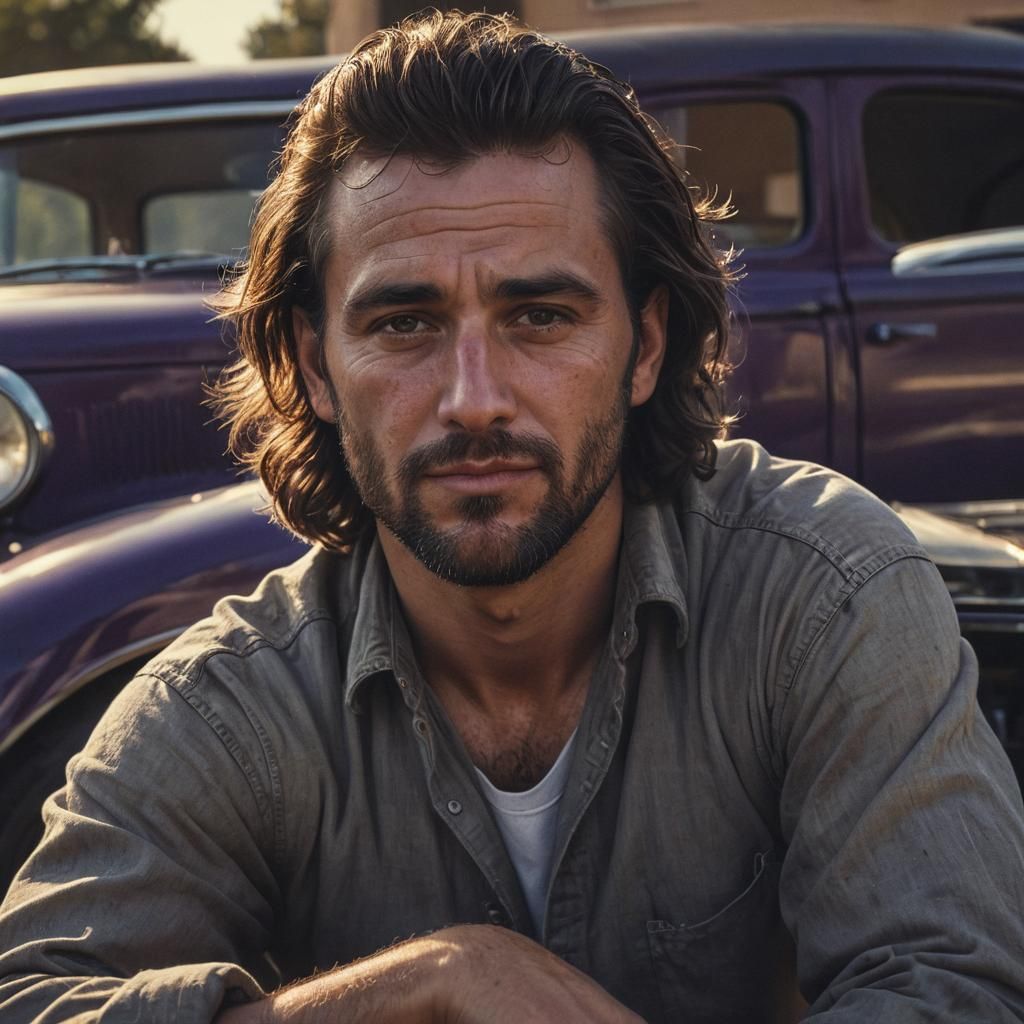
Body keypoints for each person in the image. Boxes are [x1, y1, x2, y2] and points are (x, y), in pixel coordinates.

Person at [2, 10, 1024, 1023]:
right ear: (315, 366)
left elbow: (957, 990)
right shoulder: (238, 703)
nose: (473, 397)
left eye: (540, 316)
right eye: (404, 323)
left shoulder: (822, 598)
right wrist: (419, 985)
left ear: (647, 344)